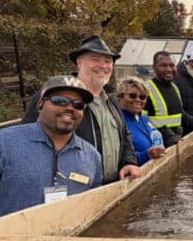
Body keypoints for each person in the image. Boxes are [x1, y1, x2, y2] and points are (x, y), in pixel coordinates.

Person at [0, 76, 102, 233]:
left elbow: (92, 210)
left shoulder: (92, 156)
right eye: (60, 101)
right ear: (40, 104)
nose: (70, 108)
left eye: (78, 104)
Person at [22, 35, 140, 184]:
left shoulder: (112, 101)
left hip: (112, 188)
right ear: (79, 63)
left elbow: (125, 135)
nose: (103, 66)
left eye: (108, 61)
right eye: (95, 59)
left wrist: (129, 162)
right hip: (72, 189)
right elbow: (27, 138)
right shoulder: (54, 95)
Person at [145, 51, 193, 147]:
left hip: (175, 143)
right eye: (163, 65)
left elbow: (179, 112)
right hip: (156, 148)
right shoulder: (146, 89)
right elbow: (140, 121)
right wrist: (167, 136)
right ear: (154, 68)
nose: (169, 69)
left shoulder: (174, 87)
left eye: (171, 65)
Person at [118, 77, 166, 166]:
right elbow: (117, 158)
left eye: (142, 97)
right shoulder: (117, 122)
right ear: (121, 97)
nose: (138, 99)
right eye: (132, 95)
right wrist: (146, 155)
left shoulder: (144, 119)